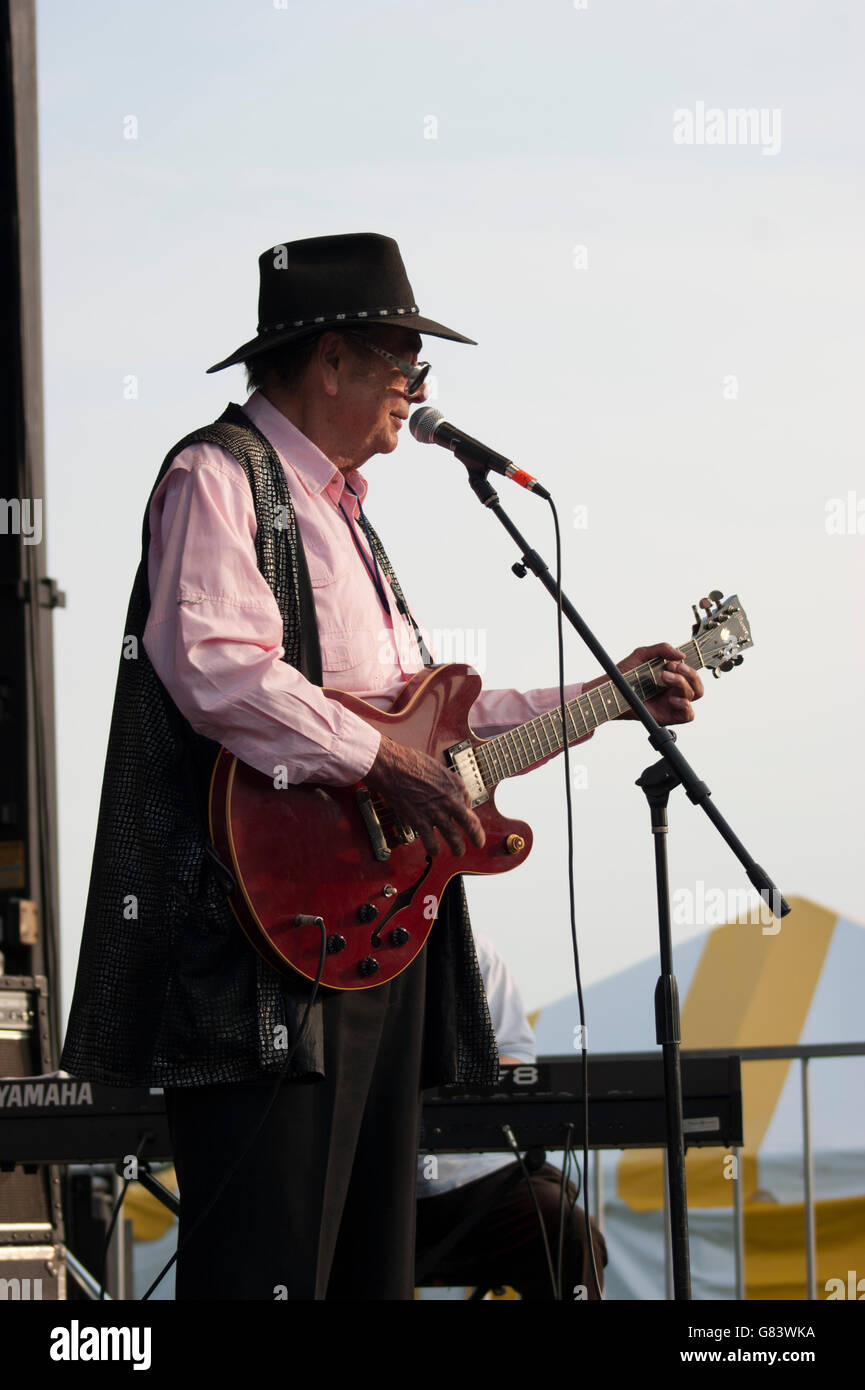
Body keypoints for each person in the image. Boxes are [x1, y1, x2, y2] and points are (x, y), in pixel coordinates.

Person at [60, 233, 703, 1300]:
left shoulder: (347, 517)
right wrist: (380, 766)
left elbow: (441, 730)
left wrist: (604, 692)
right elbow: (215, 666)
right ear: (331, 359)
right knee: (270, 1270)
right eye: (405, 359)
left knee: (368, 1273)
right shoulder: (215, 477)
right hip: (257, 939)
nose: (416, 387)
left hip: (364, 937)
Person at [416, 932, 608, 1300]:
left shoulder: (472, 951)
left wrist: (453, 1077)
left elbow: (516, 1055)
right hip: (365, 1178)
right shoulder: (324, 948)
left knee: (568, 1230)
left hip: (481, 1175)